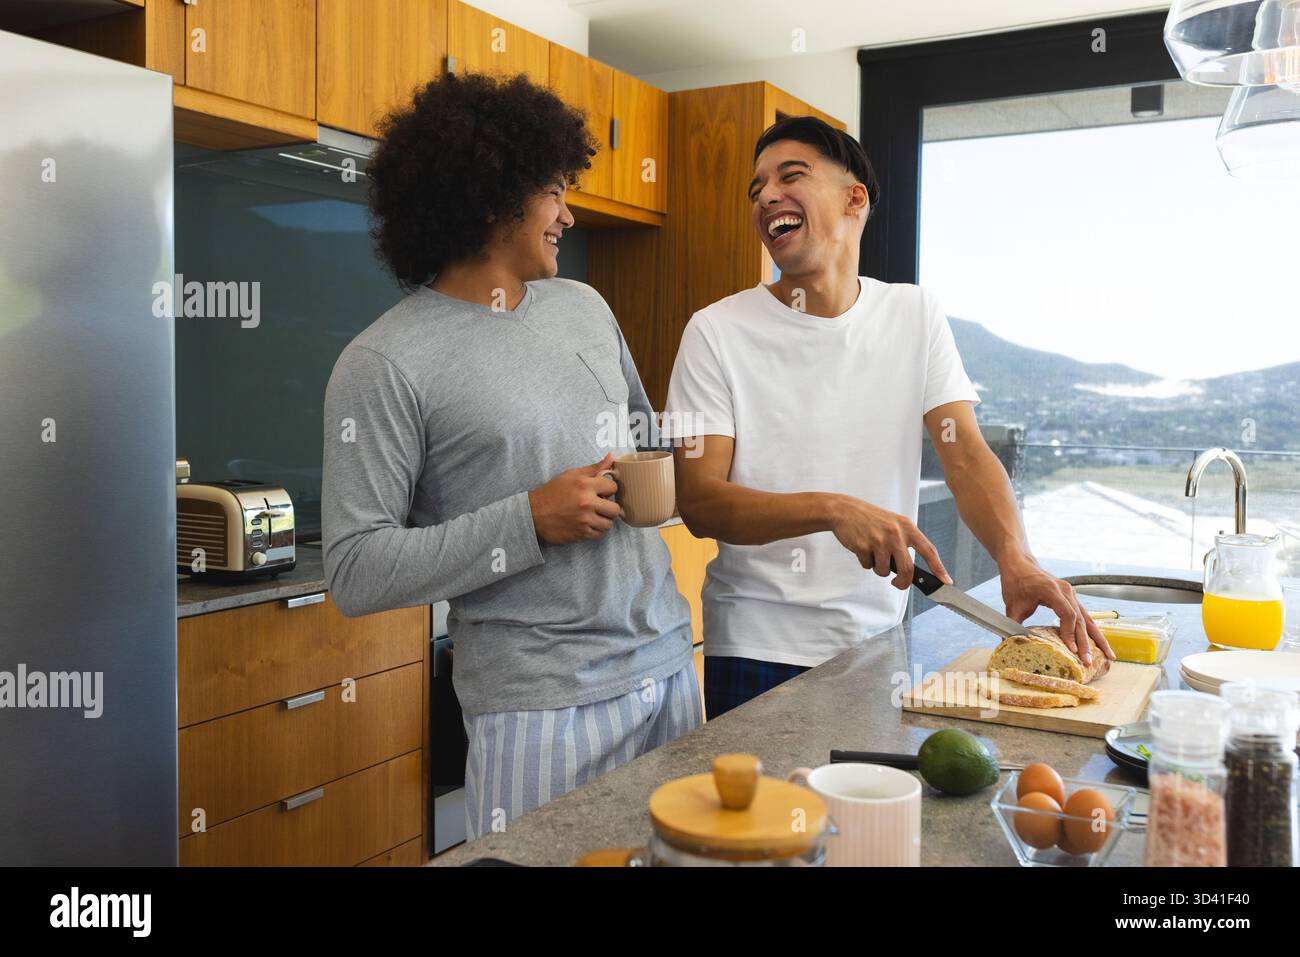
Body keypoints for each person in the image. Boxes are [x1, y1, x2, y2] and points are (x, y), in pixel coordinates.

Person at [321, 73, 699, 838]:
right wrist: (529, 518)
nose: (568, 213)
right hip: (539, 707)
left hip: (666, 665)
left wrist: (688, 445)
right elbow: (355, 569)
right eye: (554, 190)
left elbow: (639, 435)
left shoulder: (584, 307)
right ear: (493, 197)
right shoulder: (384, 362)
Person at [662, 115, 1114, 719]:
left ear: (855, 199)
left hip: (880, 643)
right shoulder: (716, 331)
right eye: (757, 188)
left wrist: (1016, 557)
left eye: (790, 176)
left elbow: (967, 456)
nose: (767, 195)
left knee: (869, 816)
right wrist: (833, 508)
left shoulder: (914, 314)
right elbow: (699, 501)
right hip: (755, 651)